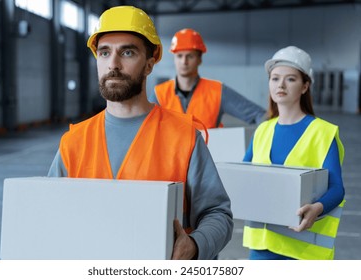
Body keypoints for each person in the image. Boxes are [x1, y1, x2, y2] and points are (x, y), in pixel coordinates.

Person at [47, 6, 233, 260]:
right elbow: (51, 216)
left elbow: (217, 213)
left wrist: (195, 244)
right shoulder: (73, 143)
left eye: (127, 52)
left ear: (148, 64)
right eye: (104, 52)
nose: (113, 64)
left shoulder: (184, 137)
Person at [242, 46, 345, 260]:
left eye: (290, 79)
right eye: (275, 78)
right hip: (261, 248)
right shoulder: (262, 130)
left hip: (303, 253)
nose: (280, 85)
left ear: (305, 86)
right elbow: (244, 178)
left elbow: (337, 188)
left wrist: (318, 208)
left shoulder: (323, 132)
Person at [149, 28, 266, 129]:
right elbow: (146, 127)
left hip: (208, 154)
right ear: (174, 58)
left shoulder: (218, 91)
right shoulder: (159, 94)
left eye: (190, 56)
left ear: (199, 59)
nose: (184, 62)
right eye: (179, 56)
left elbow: (259, 115)